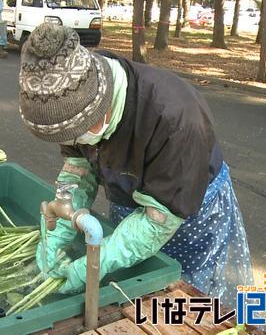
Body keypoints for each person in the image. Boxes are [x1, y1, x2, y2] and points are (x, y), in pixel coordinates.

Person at [18, 23, 253, 306]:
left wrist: (98, 260)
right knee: (134, 288)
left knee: (185, 294)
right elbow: (78, 168)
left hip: (189, 211)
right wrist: (59, 229)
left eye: (79, 132)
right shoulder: (77, 83)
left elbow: (157, 222)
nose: (78, 141)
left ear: (102, 103)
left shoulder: (176, 119)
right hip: (130, 193)